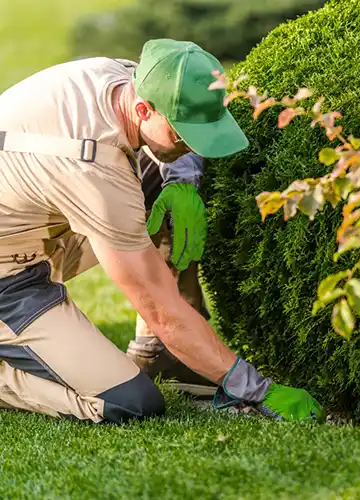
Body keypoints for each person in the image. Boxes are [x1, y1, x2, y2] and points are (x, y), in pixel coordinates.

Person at [0, 38, 324, 424]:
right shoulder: (94, 170)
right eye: (182, 136)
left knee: (163, 179)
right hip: (10, 281)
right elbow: (160, 309)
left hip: (33, 224)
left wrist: (180, 179)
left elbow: (168, 135)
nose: (191, 147)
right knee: (129, 403)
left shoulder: (126, 77)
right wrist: (255, 388)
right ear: (142, 108)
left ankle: (162, 357)